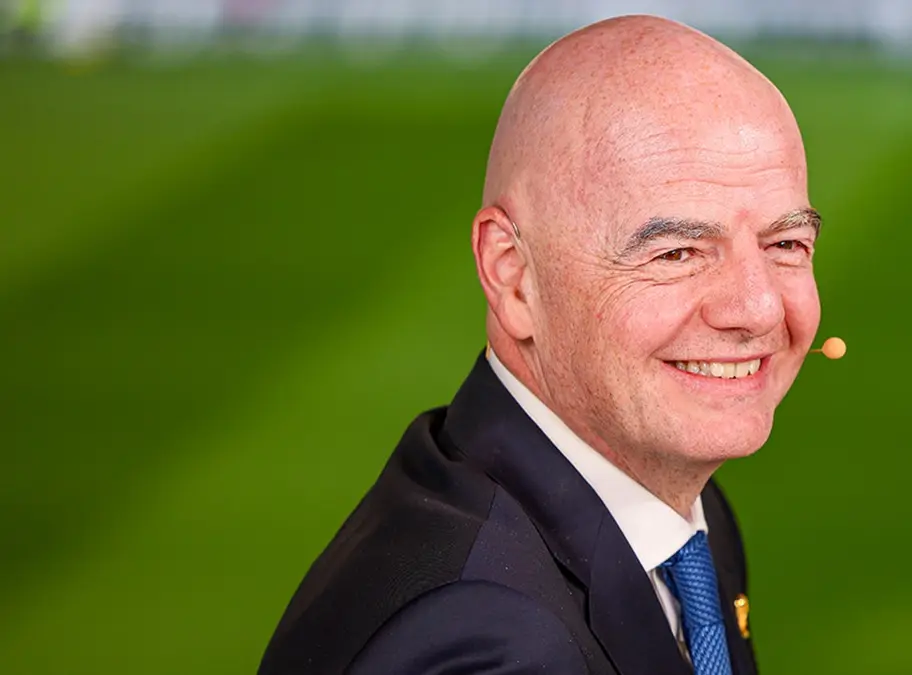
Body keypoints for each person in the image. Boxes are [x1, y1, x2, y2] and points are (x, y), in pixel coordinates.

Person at [259, 13, 822, 675]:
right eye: (677, 253)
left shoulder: (680, 521)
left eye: (786, 244)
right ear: (513, 274)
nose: (757, 307)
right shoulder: (488, 642)